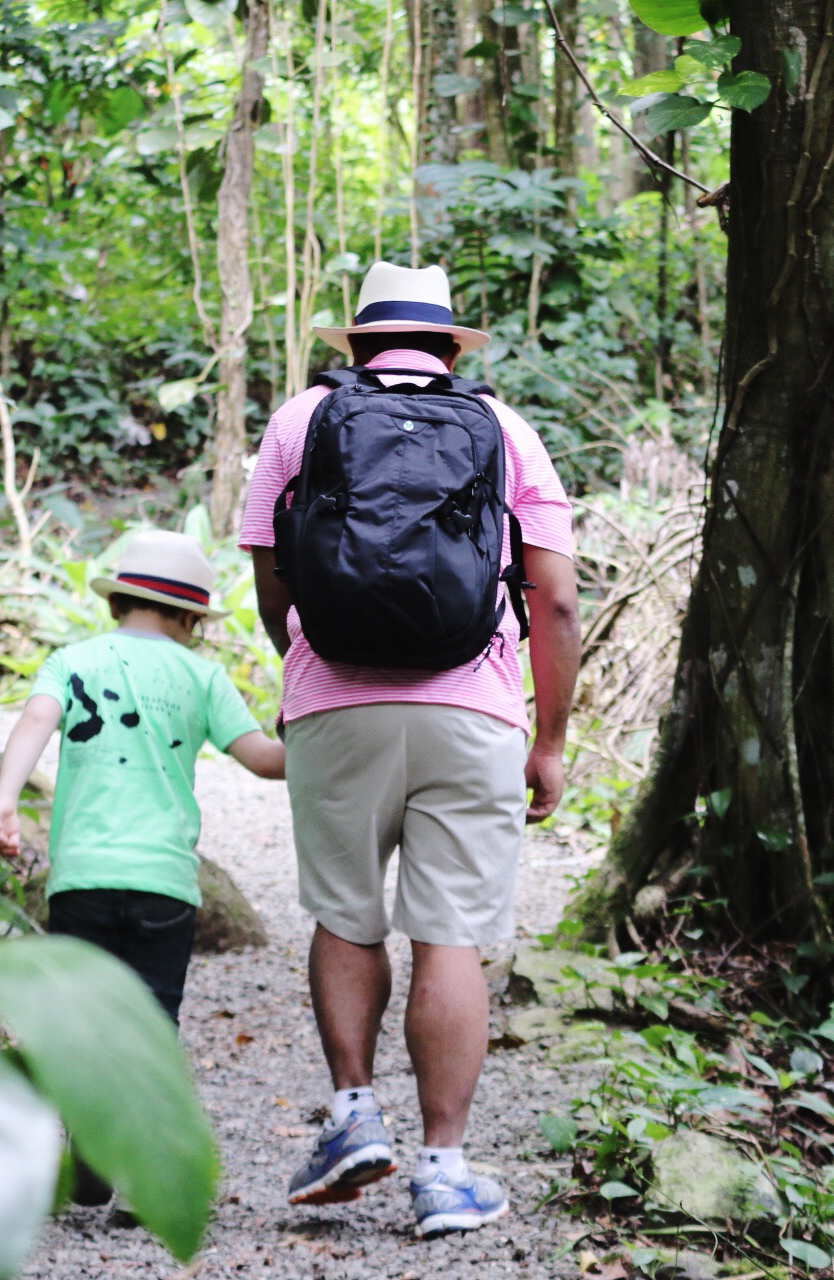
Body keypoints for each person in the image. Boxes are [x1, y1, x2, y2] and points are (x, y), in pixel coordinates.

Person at [240, 261, 581, 1239]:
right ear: (449, 344)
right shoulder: (505, 428)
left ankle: (352, 1112)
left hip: (332, 706)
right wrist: (549, 739)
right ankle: (443, 1169)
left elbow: (276, 581)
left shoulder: (300, 421)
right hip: (473, 711)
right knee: (449, 933)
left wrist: (311, 666)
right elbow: (553, 599)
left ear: (354, 345)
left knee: (346, 915)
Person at [0, 529, 288, 1202]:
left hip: (82, 880)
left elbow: (36, 719)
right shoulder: (202, 675)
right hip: (163, 885)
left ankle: (90, 1147)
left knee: (85, 1021)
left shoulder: (72, 659)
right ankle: (149, 1180)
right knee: (151, 1027)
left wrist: (6, 800)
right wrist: (308, 720)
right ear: (188, 618)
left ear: (120, 599)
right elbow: (268, 762)